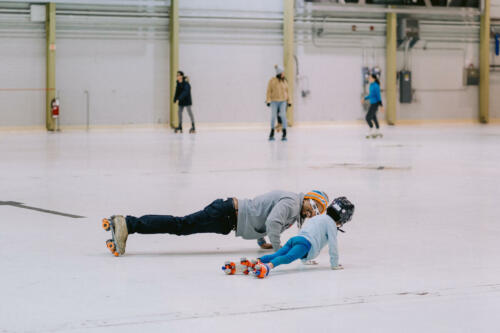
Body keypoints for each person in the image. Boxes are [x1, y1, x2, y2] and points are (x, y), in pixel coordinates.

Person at [102, 190, 329, 256]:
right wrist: (280, 252)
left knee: (181, 226)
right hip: (226, 214)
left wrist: (262, 240)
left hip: (229, 219)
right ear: (309, 198)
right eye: (315, 207)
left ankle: (129, 224)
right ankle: (128, 224)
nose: (312, 213)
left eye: (317, 212)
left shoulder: (292, 209)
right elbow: (272, 222)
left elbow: (264, 213)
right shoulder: (292, 203)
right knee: (180, 225)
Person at [251, 196, 355, 279]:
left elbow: (309, 230)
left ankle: (256, 261)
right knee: (287, 258)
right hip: (305, 244)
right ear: (343, 218)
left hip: (295, 239)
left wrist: (306, 260)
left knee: (277, 254)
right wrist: (334, 264)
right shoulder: (331, 224)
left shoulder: (319, 217)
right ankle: (268, 267)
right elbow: (333, 244)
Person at [266, 65, 292, 141]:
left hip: (283, 101)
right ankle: (272, 131)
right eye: (282, 73)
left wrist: (289, 101)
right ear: (279, 73)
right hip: (274, 101)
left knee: (283, 115)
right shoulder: (272, 81)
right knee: (273, 116)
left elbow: (288, 92)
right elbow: (268, 91)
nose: (284, 74)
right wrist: (268, 100)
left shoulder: (284, 81)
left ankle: (284, 131)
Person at [361, 74, 384, 139]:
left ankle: (371, 128)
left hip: (375, 104)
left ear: (374, 79)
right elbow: (371, 95)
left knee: (367, 117)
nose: (369, 79)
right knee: (374, 117)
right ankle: (377, 130)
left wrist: (381, 106)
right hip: (372, 103)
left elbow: (378, 96)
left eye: (370, 78)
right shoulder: (371, 85)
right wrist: (364, 98)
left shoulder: (376, 86)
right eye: (369, 78)